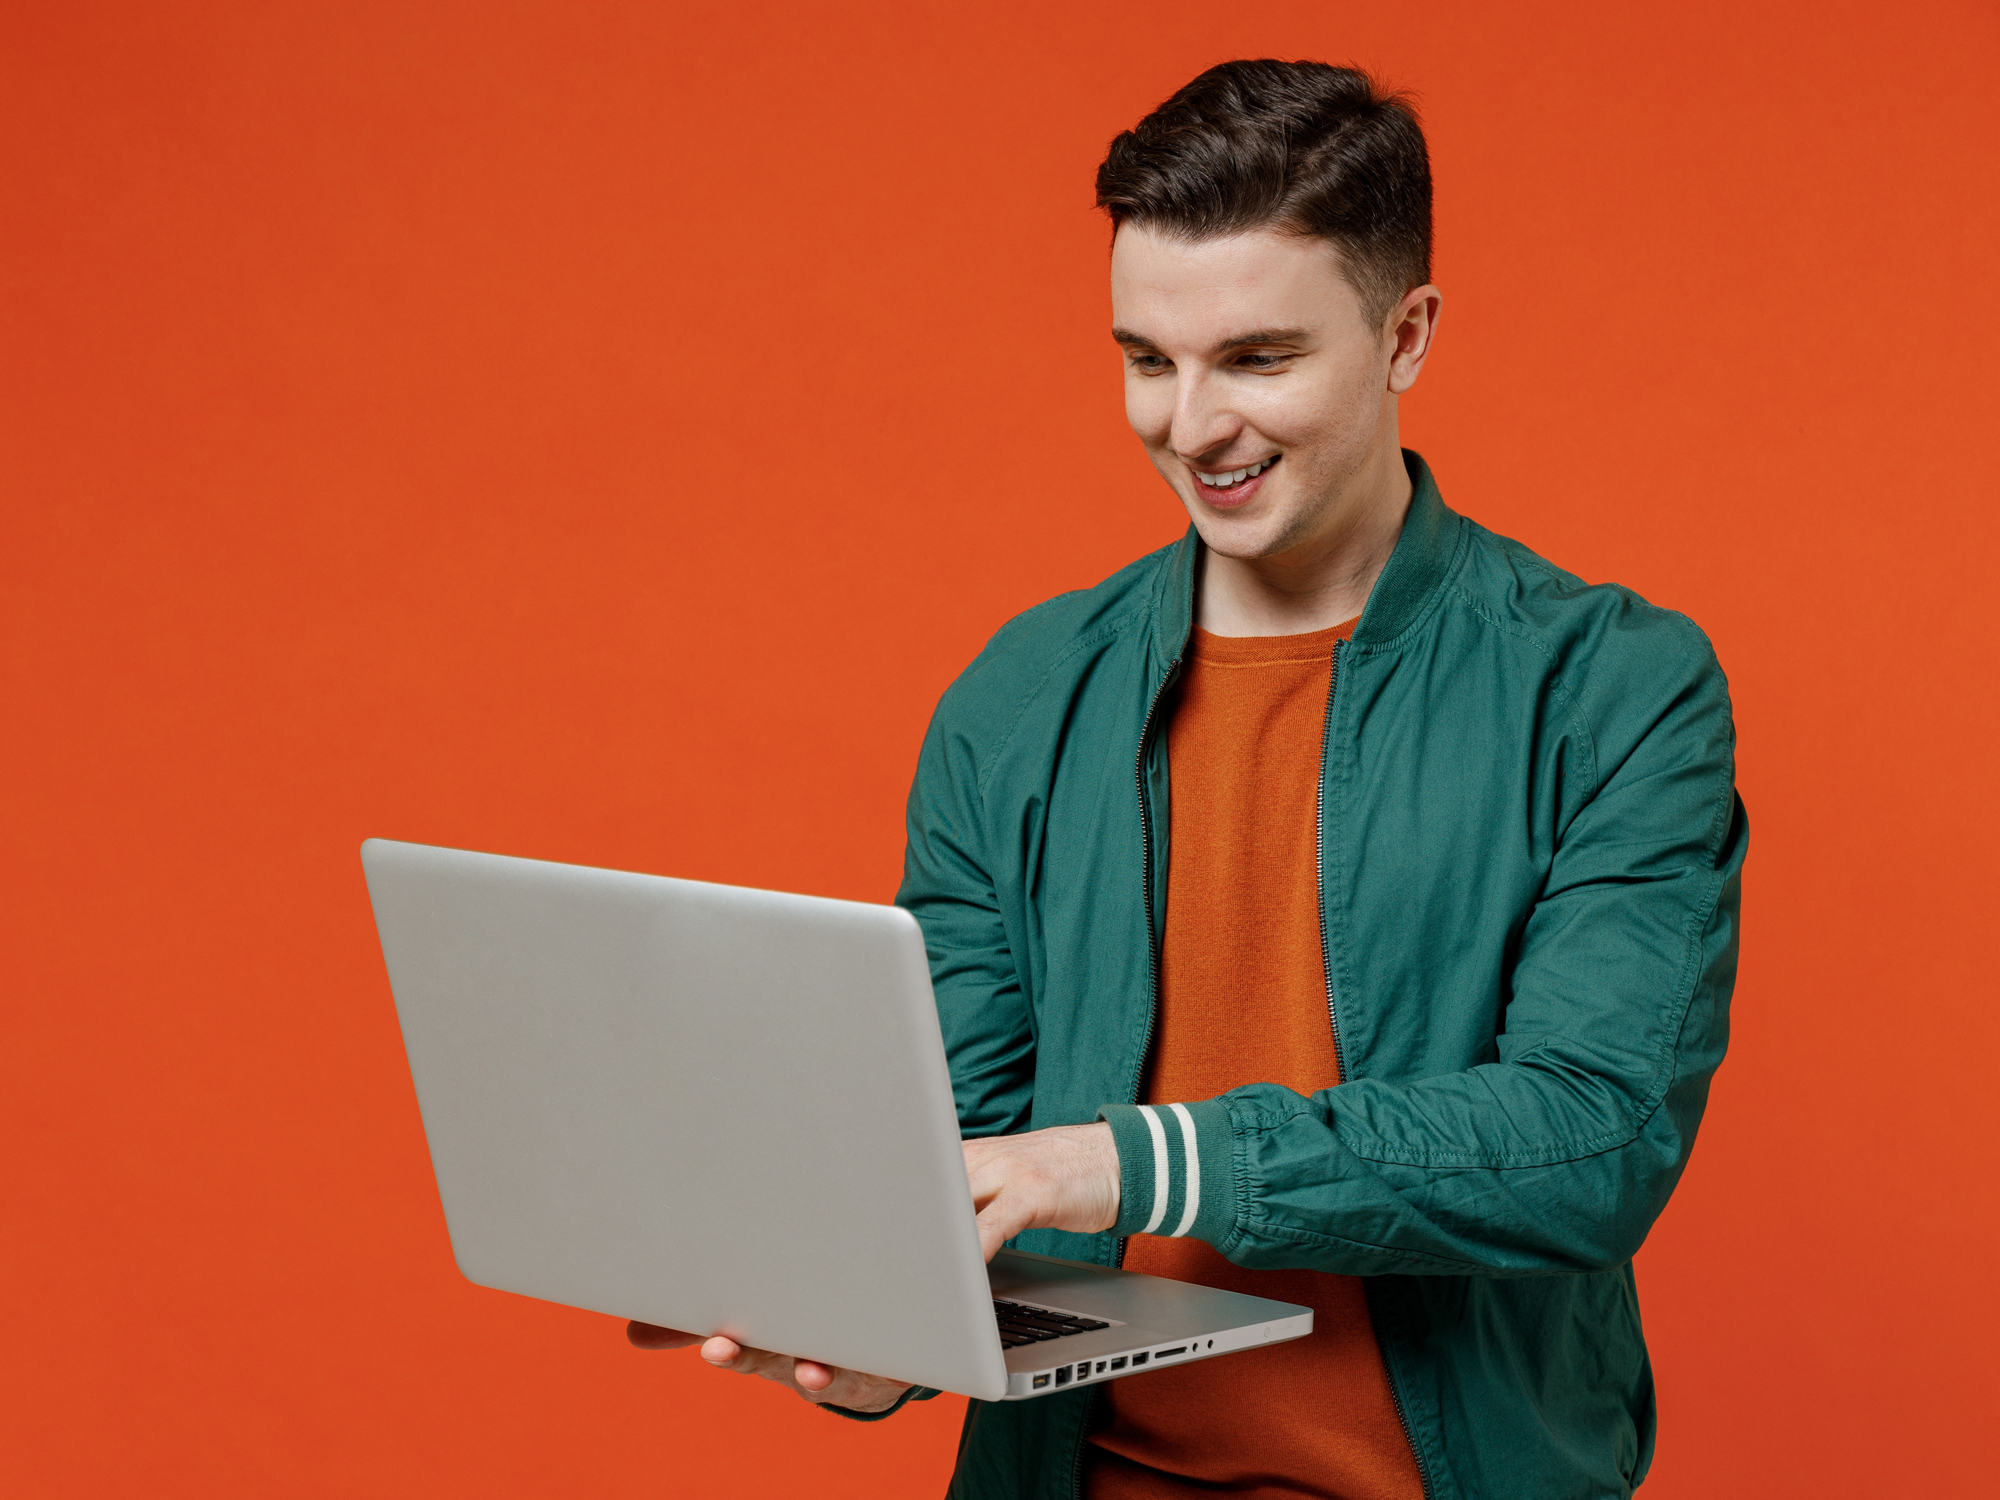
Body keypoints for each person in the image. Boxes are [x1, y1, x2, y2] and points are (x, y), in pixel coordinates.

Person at [630, 58, 1745, 1500]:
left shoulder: (1610, 687)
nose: (1191, 424)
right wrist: (891, 1344)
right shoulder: (1018, 698)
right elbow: (964, 1154)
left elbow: (1590, 1139)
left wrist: (1135, 1163)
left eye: (1258, 359)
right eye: (1147, 360)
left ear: (1407, 336)